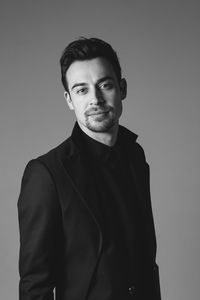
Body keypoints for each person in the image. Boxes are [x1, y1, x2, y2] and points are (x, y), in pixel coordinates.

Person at [17, 37, 161, 300]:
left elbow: (143, 258)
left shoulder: (135, 156)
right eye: (81, 90)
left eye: (104, 85)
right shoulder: (45, 174)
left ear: (122, 88)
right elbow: (35, 285)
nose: (95, 99)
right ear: (69, 99)